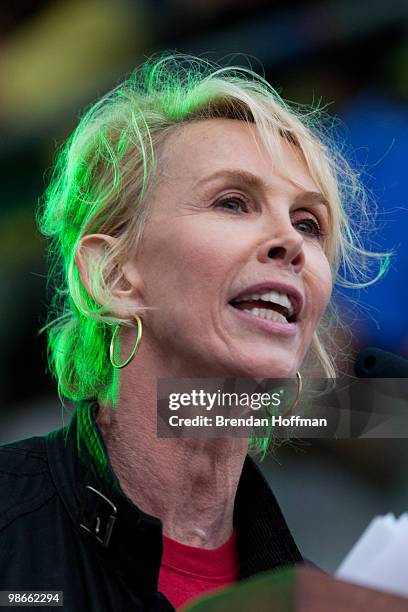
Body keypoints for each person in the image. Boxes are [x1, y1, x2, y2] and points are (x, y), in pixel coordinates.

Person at [0, 54, 387, 611]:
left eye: (309, 223)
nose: (291, 242)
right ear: (113, 276)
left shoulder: (317, 597)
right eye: (233, 202)